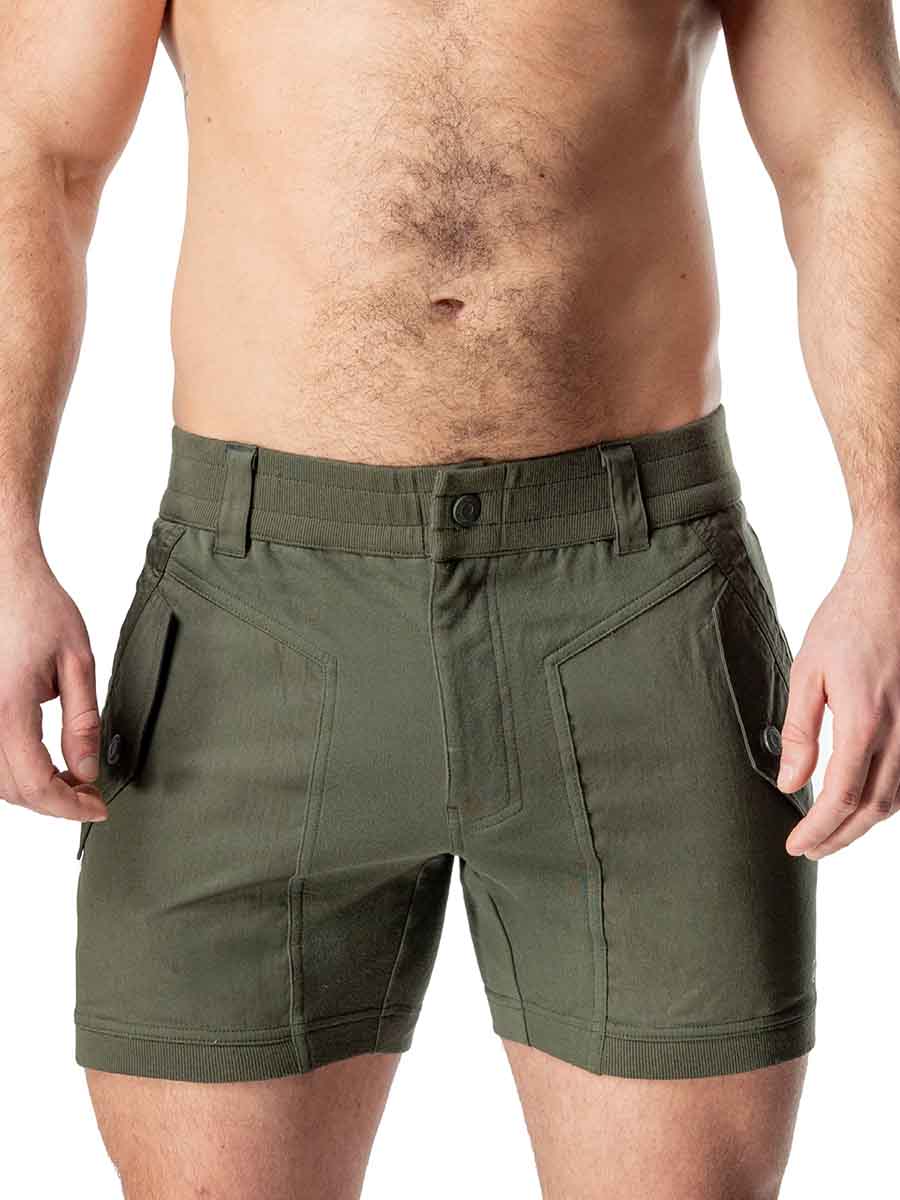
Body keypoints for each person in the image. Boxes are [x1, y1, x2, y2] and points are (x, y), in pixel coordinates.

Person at [2, 2, 899, 1197]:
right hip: (255, 621)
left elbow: (843, 146)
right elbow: (36, 149)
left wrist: (891, 542)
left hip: (635, 604)